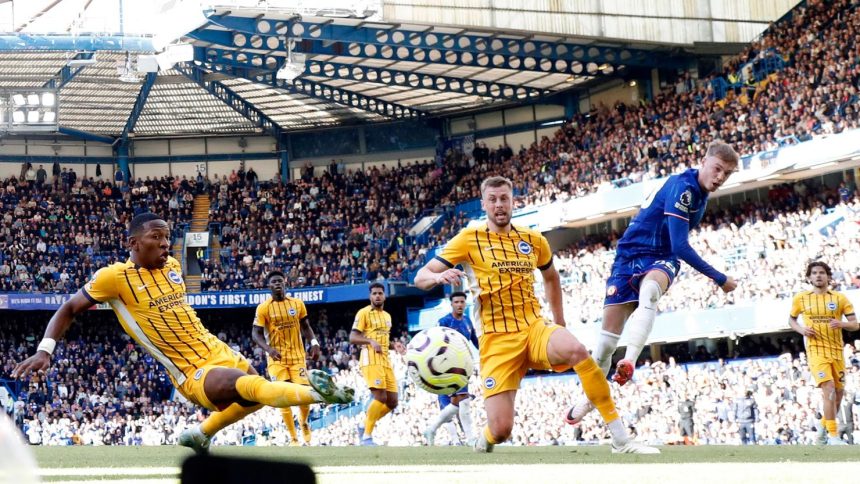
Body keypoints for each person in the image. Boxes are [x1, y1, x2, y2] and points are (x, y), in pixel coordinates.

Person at [12, 212, 353, 454]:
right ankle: (318, 394)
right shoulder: (113, 278)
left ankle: (200, 434)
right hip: (190, 370)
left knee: (254, 402)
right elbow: (69, 308)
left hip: (217, 348)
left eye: (167, 237)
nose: (165, 244)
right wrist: (46, 350)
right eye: (155, 238)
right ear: (133, 243)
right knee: (254, 388)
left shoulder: (174, 267)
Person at [414, 176, 657, 454]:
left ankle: (621, 439)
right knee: (501, 429)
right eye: (492, 200)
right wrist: (439, 276)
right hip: (496, 341)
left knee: (577, 350)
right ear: (483, 204)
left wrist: (559, 322)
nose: (499, 205)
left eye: (504, 198)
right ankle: (486, 438)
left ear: (513, 201)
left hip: (534, 328)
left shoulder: (532, 239)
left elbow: (551, 277)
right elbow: (422, 276)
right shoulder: (468, 240)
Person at [567, 140, 740, 424]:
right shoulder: (685, 189)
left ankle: (630, 362)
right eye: (718, 169)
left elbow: (675, 251)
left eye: (727, 173)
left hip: (661, 257)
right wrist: (719, 278)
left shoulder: (699, 194)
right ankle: (588, 398)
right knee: (603, 348)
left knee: (650, 292)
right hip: (628, 256)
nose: (720, 177)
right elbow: (682, 245)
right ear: (704, 161)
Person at [788, 261, 859, 445]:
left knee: (839, 393)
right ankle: (833, 437)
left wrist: (841, 324)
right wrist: (802, 330)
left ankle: (822, 428)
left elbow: (855, 324)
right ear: (809, 277)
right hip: (816, 351)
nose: (818, 275)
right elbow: (792, 320)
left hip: (837, 351)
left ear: (828, 276)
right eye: (814, 273)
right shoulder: (801, 298)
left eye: (821, 272)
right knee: (828, 389)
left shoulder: (840, 299)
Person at [252, 270, 322, 446]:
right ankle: (293, 438)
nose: (277, 284)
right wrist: (268, 349)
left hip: (298, 356)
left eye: (280, 281)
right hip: (276, 359)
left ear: (285, 284)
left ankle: (304, 423)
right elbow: (255, 333)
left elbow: (306, 326)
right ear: (269, 286)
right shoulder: (264, 308)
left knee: (305, 394)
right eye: (274, 282)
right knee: (282, 395)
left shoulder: (297, 304)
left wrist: (314, 343)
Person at [423, 291, 479, 446]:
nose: (460, 305)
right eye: (457, 302)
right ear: (451, 304)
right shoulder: (444, 321)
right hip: (448, 366)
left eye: (462, 302)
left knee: (455, 404)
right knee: (464, 401)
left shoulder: (467, 321)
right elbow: (435, 341)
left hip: (463, 365)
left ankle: (431, 428)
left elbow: (476, 341)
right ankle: (470, 439)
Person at [350, 282, 403, 446]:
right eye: (374, 293)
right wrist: (369, 341)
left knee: (392, 402)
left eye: (380, 293)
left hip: (385, 360)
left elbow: (384, 340)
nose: (377, 296)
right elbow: (353, 337)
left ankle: (364, 425)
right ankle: (366, 437)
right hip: (370, 359)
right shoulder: (364, 313)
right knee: (380, 397)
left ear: (384, 295)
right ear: (370, 296)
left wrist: (395, 345)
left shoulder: (387, 316)